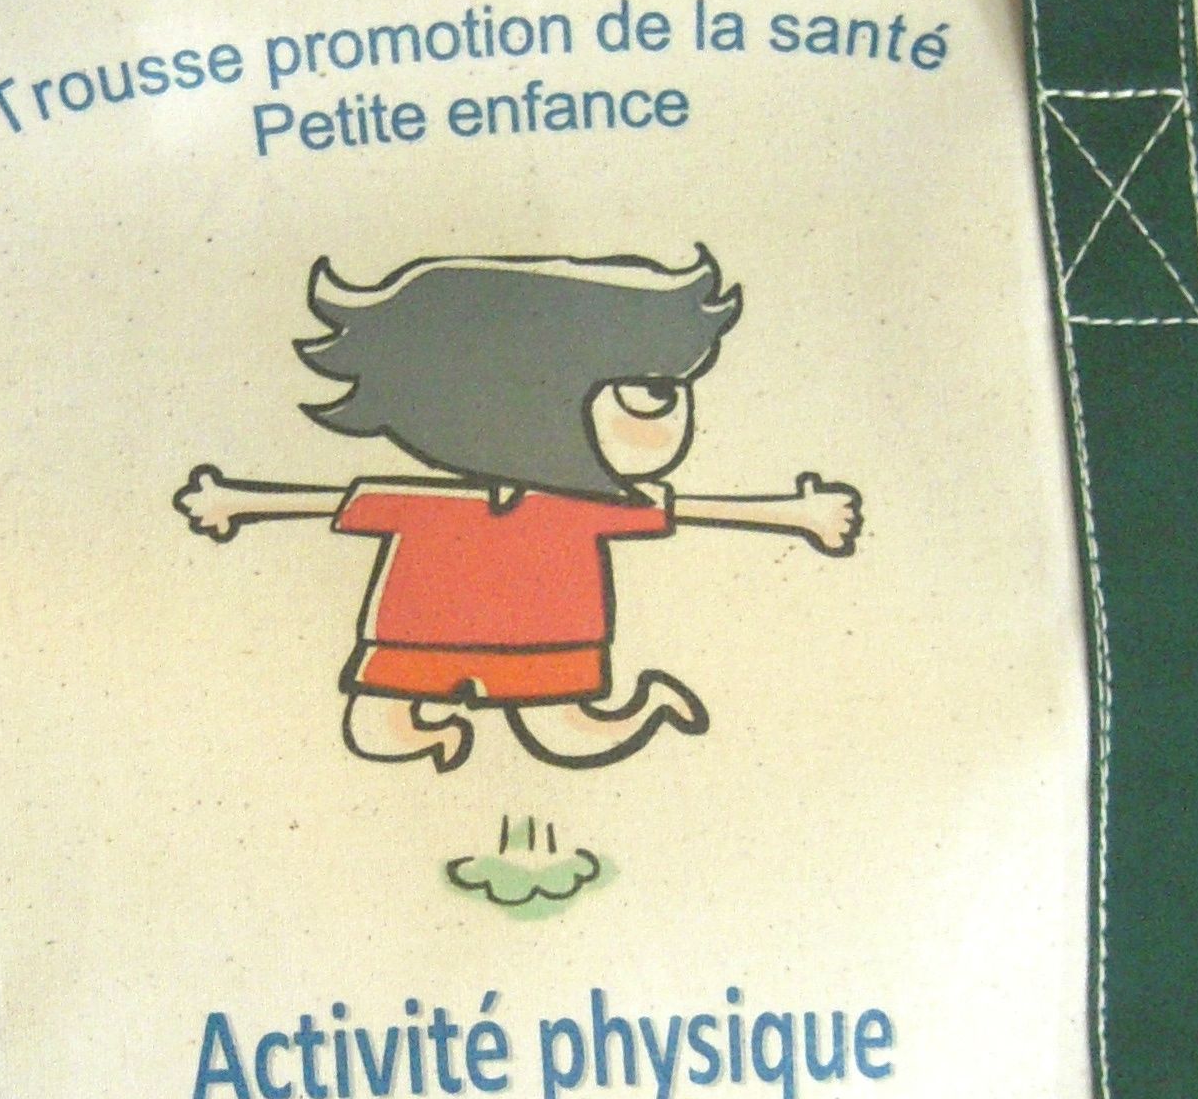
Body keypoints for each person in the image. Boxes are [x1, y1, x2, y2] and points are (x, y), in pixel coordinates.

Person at [175, 248, 860, 770]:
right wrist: (236, 502)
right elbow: (329, 503)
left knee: (567, 735)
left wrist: (797, 515)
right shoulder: (429, 502)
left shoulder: (582, 507)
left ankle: (649, 703)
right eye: (651, 395)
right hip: (417, 637)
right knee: (375, 731)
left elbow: (691, 510)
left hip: (550, 640)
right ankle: (440, 743)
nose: (673, 424)